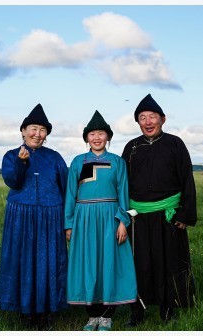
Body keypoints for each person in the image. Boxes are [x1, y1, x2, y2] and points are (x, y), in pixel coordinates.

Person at [121, 94, 197, 326]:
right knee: (139, 264)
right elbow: (122, 184)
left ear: (163, 119)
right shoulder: (131, 147)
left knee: (169, 263)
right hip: (138, 218)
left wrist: (185, 214)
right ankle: (137, 312)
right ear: (138, 122)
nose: (148, 121)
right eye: (142, 117)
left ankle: (168, 309)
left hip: (169, 217)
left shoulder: (175, 144)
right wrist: (122, 216)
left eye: (152, 116)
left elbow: (187, 180)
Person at [0, 103, 69, 330]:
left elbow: (67, 189)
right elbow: (13, 182)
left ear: (46, 134)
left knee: (49, 260)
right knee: (23, 260)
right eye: (33, 129)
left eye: (42, 130)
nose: (37, 134)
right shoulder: (11, 156)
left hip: (51, 216)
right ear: (23, 131)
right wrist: (21, 162)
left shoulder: (55, 158)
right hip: (21, 217)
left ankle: (46, 311)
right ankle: (25, 311)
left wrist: (68, 221)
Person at [65, 110, 137, 331]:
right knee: (88, 264)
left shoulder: (117, 162)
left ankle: (106, 316)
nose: (97, 138)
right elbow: (70, 194)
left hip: (109, 219)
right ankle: (92, 315)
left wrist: (123, 221)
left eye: (101, 134)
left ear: (108, 137)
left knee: (108, 264)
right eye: (92, 134)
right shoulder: (78, 162)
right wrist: (68, 224)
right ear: (87, 138)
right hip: (84, 220)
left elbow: (123, 193)